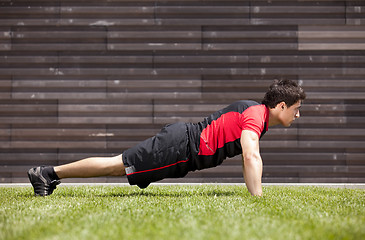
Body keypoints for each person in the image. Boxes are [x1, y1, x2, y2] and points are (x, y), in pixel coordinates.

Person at [27, 79, 306, 197]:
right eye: (296, 109)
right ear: (281, 105)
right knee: (116, 165)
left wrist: (254, 192)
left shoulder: (256, 115)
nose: (297, 116)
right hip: (178, 147)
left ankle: (49, 174)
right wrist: (258, 197)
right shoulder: (256, 115)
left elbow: (249, 157)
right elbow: (250, 155)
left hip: (180, 145)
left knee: (117, 166)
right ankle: (48, 173)